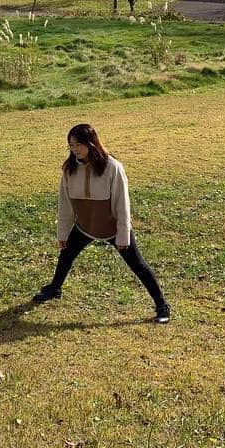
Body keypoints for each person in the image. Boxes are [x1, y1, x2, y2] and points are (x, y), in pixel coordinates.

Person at [32, 123, 170, 323]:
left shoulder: (112, 167)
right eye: (71, 145)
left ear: (91, 143)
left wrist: (123, 235)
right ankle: (54, 289)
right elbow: (65, 205)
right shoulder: (69, 169)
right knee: (66, 256)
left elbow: (123, 204)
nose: (75, 150)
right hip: (85, 226)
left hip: (113, 228)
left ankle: (162, 306)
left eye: (79, 144)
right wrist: (63, 235)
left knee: (138, 265)